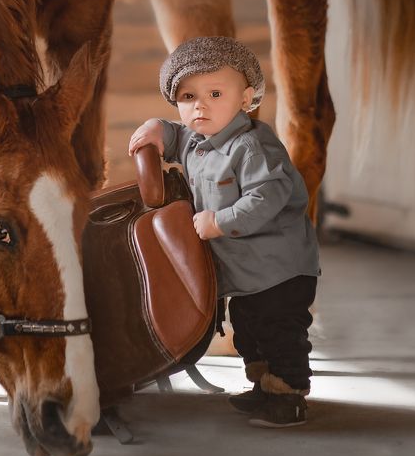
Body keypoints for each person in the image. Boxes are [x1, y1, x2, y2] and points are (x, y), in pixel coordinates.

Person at [128, 36, 320, 428]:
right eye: (187, 96)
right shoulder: (198, 140)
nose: (200, 105)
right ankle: (263, 387)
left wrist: (221, 221)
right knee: (249, 332)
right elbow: (177, 136)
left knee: (280, 332)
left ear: (246, 99)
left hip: (279, 270)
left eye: (215, 93)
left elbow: (268, 197)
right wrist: (155, 129)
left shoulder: (251, 146)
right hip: (247, 275)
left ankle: (289, 397)